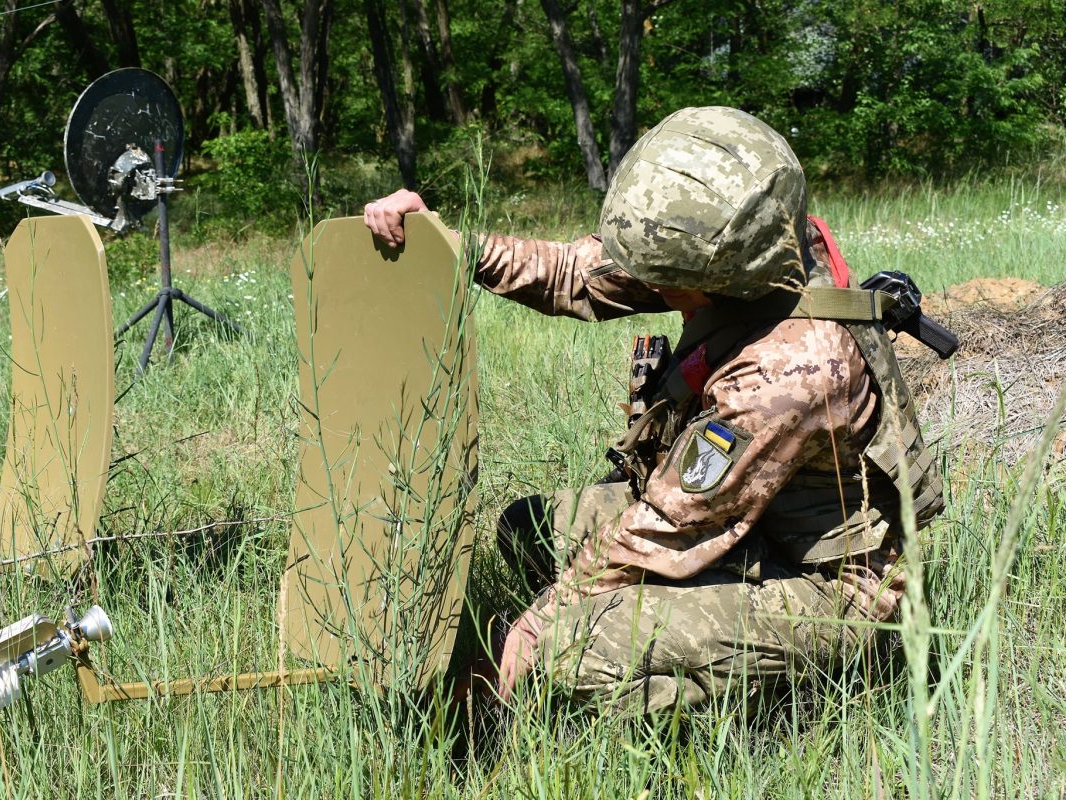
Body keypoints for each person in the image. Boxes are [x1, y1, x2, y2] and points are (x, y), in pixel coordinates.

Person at [363, 106, 944, 715]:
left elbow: (668, 525)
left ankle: (782, 703)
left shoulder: (790, 370)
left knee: (567, 650)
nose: (652, 287)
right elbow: (576, 273)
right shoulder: (752, 255)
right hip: (752, 524)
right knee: (528, 528)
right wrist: (448, 242)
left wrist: (537, 627)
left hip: (833, 588)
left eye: (664, 278)